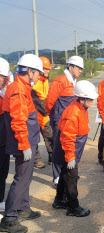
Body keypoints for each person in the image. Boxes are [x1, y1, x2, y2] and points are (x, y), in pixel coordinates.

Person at [0, 54, 43, 233]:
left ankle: (23, 208)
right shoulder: (18, 89)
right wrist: (24, 144)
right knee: (21, 177)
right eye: (38, 73)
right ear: (30, 71)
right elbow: (18, 120)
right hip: (23, 141)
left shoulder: (22, 86)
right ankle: (9, 218)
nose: (39, 77)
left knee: (26, 176)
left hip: (29, 139)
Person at [52, 80, 98, 217]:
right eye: (90, 98)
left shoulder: (82, 108)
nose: (93, 100)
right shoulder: (73, 113)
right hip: (68, 149)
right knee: (71, 176)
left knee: (66, 173)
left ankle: (59, 200)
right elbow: (67, 137)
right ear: (82, 98)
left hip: (73, 149)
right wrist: (71, 156)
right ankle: (73, 207)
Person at [45, 56, 84, 187]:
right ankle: (57, 177)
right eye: (79, 68)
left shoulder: (75, 81)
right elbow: (49, 102)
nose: (81, 71)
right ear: (71, 67)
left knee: (69, 145)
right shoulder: (59, 81)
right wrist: (54, 117)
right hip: (59, 121)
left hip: (71, 121)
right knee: (58, 147)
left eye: (82, 69)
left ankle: (67, 173)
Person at [31, 56, 53, 168]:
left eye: (48, 69)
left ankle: (52, 157)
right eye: (45, 69)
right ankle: (37, 160)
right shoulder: (34, 82)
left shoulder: (46, 80)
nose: (47, 71)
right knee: (34, 138)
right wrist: (46, 111)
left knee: (49, 136)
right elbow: (36, 100)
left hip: (43, 115)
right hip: (35, 114)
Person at [0, 58, 10, 215]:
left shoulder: (4, 92)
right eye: (4, 77)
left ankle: (1, 199)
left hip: (3, 140)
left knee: (3, 170)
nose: (7, 80)